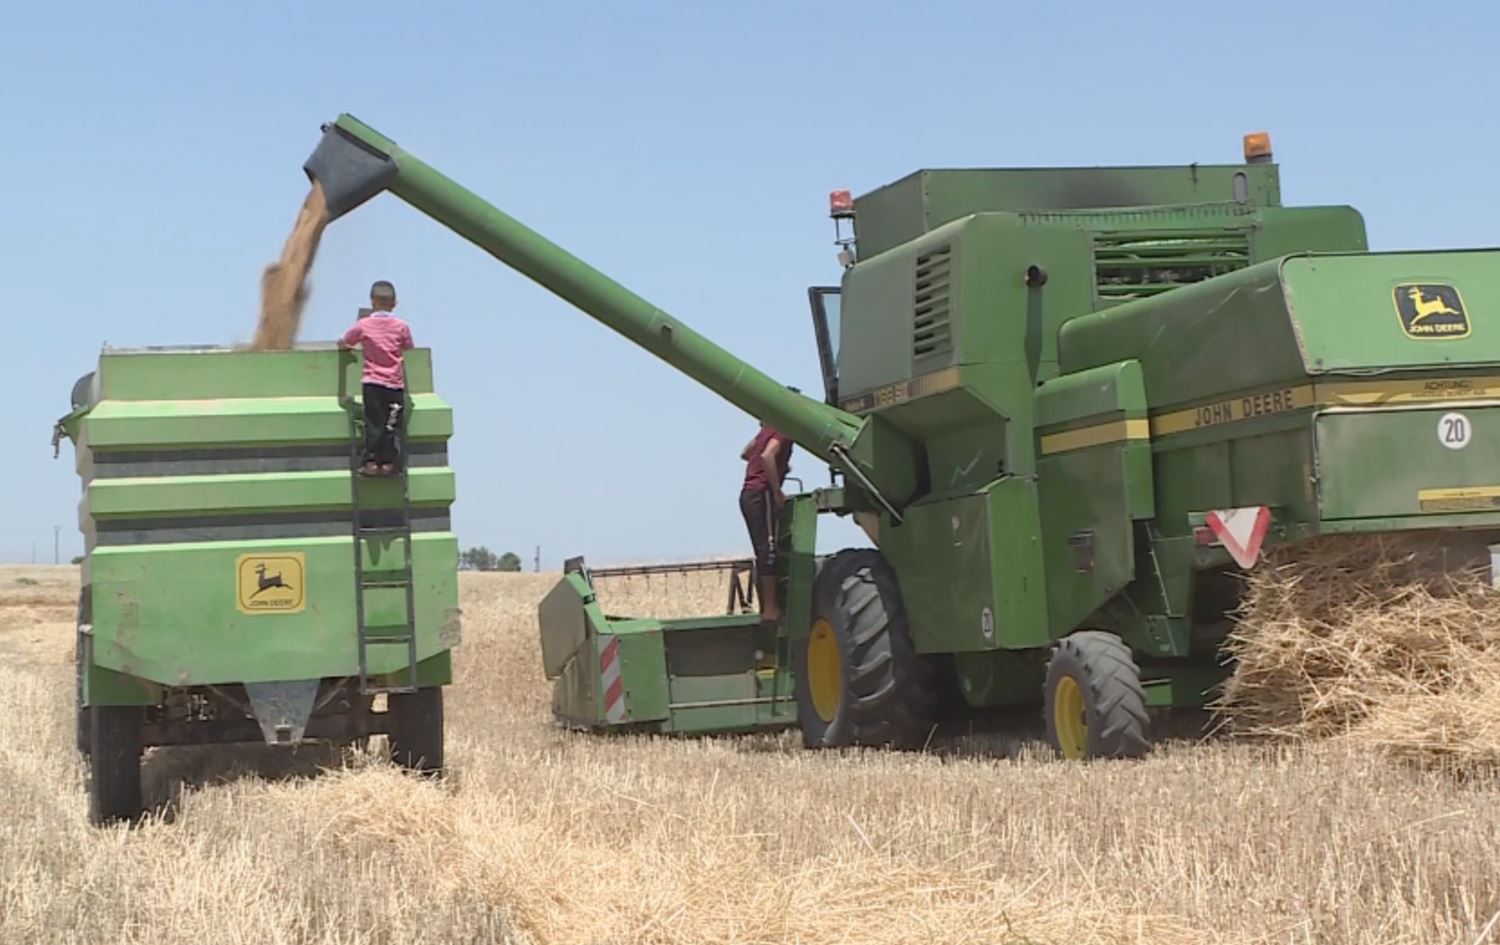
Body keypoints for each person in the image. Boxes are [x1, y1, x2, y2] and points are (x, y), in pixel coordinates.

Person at [338, 280, 414, 476]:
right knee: (391, 425)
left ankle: (371, 463)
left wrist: (349, 348)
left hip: (371, 384)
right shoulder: (401, 326)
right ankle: (389, 464)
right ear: (395, 303)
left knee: (374, 424)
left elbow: (343, 341)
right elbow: (408, 346)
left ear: (372, 302)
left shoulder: (363, 325)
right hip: (394, 385)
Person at [740, 420, 793, 623]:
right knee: (768, 550)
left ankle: (767, 605)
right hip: (761, 495)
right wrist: (777, 490)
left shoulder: (766, 431)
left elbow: (747, 453)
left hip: (748, 495)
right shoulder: (784, 429)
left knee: (763, 548)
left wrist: (782, 467)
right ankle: (770, 609)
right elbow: (767, 455)